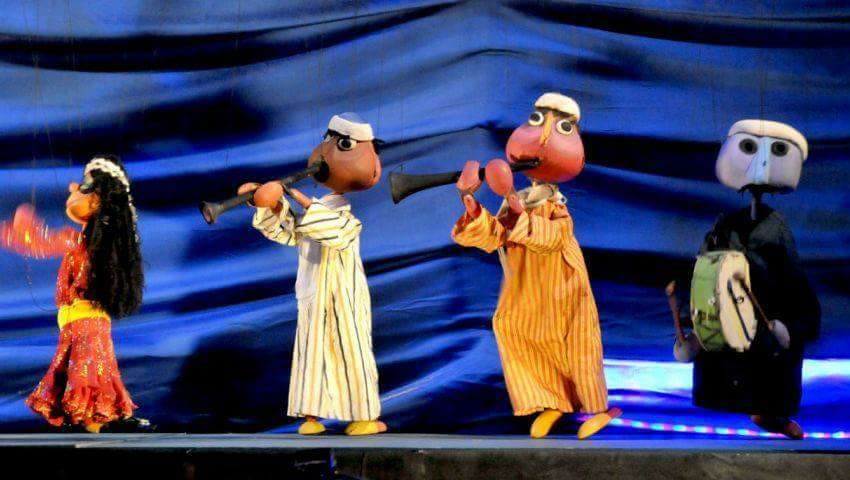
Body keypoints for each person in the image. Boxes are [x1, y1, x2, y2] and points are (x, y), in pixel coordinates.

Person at [452, 93, 620, 439]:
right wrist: (470, 201)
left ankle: (597, 408)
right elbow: (494, 237)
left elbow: (553, 238)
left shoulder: (556, 206)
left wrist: (513, 203)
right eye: (537, 120)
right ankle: (550, 400)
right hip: (526, 287)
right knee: (518, 332)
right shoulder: (522, 200)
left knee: (576, 345)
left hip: (562, 286)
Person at [239, 113, 385, 436]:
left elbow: (332, 231)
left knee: (352, 352)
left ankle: (365, 414)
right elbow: (289, 231)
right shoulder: (312, 217)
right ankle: (311, 416)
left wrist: (293, 196)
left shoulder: (347, 220)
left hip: (345, 298)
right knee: (312, 354)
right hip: (314, 295)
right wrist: (269, 204)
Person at [1, 155, 145, 433]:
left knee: (88, 371)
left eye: (85, 186)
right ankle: (98, 421)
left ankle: (97, 423)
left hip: (85, 323)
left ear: (98, 200)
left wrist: (21, 230)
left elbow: (40, 242)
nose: (74, 188)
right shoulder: (92, 244)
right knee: (91, 370)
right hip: (81, 323)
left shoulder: (79, 241)